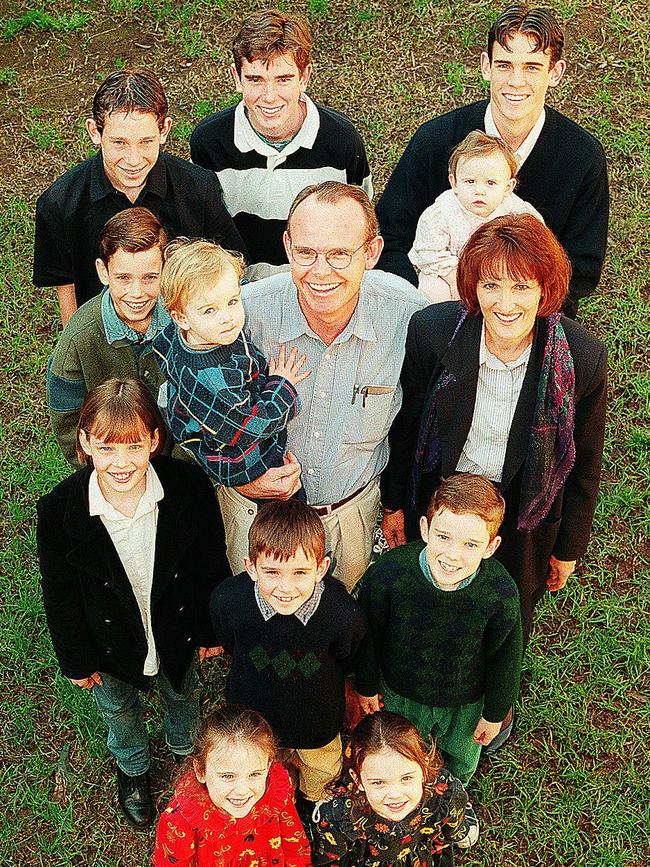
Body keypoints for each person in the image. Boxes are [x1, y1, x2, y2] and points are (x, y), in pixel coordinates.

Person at [381, 214, 606, 748]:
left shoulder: (582, 355)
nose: (506, 303)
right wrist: (395, 504)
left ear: (546, 288)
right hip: (443, 494)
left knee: (509, 607)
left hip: (526, 508)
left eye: (522, 286)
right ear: (472, 287)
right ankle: (419, 692)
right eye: (491, 285)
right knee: (431, 589)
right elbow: (407, 424)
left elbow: (585, 464)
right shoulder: (434, 333)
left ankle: (491, 706)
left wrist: (569, 547)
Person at [37, 379, 229, 828]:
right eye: (106, 448)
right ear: (85, 442)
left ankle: (186, 755)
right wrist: (76, 659)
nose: (121, 463)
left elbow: (208, 561)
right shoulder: (60, 510)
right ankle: (133, 767)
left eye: (134, 447)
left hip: (173, 624)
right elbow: (59, 593)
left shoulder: (186, 486)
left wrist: (208, 629)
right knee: (119, 706)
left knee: (183, 690)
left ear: (154, 440)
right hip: (111, 638)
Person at [218, 181, 426, 586]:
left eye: (338, 255)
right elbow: (179, 398)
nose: (320, 272)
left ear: (372, 253)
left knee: (339, 627)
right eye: (307, 253)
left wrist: (400, 503)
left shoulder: (410, 317)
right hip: (255, 514)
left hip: (348, 518)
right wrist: (237, 474)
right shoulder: (243, 312)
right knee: (254, 623)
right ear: (286, 245)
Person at [377, 4, 608, 318]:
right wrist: (428, 311)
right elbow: (390, 236)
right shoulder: (436, 140)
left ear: (555, 73)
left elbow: (579, 268)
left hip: (529, 319)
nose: (515, 81)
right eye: (504, 65)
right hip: (434, 309)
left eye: (531, 67)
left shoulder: (582, 158)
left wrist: (514, 317)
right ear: (486, 66)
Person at [34, 68, 246, 324]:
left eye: (146, 142)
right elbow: (66, 287)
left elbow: (229, 265)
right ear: (94, 132)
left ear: (164, 130)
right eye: (119, 143)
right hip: (106, 339)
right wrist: (75, 351)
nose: (133, 160)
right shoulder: (59, 203)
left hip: (185, 335)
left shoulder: (198, 187)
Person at [209, 500, 380, 812]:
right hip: (253, 713)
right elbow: (230, 640)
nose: (284, 587)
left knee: (321, 770)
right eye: (271, 572)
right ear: (250, 567)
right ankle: (271, 806)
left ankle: (314, 806)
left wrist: (365, 687)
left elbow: (353, 651)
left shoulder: (342, 613)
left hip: (317, 720)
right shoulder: (228, 600)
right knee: (263, 764)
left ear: (321, 568)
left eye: (300, 572)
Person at [360, 474, 522, 783]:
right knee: (400, 753)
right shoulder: (390, 574)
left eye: (470, 544)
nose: (452, 554)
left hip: (465, 701)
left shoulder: (500, 593)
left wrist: (494, 713)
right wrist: (366, 685)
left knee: (460, 757)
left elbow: (506, 658)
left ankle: (452, 801)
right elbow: (369, 634)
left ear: (491, 546)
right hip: (401, 691)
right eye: (443, 536)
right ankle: (406, 797)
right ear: (424, 529)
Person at [190, 9, 372, 281]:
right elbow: (204, 236)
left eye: (283, 80)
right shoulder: (209, 142)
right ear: (236, 77)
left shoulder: (342, 141)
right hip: (238, 292)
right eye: (255, 80)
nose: (270, 97)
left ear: (304, 76)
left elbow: (359, 229)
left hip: (319, 284)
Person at [153, 238, 310, 490]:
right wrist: (282, 386)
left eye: (233, 301)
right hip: (239, 459)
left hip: (219, 422)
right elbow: (247, 427)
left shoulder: (195, 334)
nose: (227, 318)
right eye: (209, 310)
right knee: (287, 510)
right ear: (181, 317)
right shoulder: (210, 379)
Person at [47, 207, 171, 464]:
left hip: (186, 471)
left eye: (150, 278)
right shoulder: (78, 337)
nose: (136, 293)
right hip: (113, 471)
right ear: (103, 272)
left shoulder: (186, 317)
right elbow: (67, 422)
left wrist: (181, 472)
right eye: (123, 278)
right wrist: (107, 472)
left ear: (166, 270)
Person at [310, 711, 477, 867]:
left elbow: (452, 829)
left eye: (406, 778)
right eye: (378, 783)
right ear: (357, 780)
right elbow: (331, 856)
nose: (395, 795)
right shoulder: (339, 814)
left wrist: (455, 833)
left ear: (424, 767)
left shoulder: (443, 793)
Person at [153, 704, 311, 866]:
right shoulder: (180, 821)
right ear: (201, 770)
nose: (242, 790)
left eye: (255, 774)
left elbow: (295, 844)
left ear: (269, 765)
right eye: (228, 776)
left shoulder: (277, 791)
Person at [409, 131, 543, 303]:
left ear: (508, 187)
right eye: (470, 181)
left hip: (500, 273)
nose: (479, 190)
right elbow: (429, 252)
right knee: (432, 286)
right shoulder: (442, 213)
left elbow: (537, 238)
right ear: (454, 182)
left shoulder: (516, 211)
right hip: (449, 273)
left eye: (490, 183)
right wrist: (455, 280)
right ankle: (441, 322)